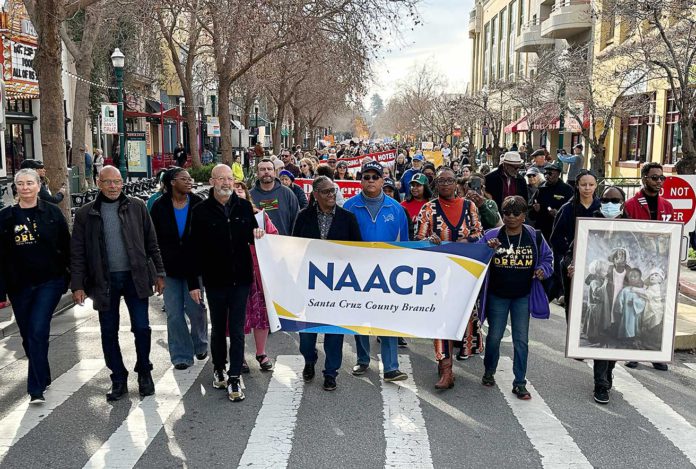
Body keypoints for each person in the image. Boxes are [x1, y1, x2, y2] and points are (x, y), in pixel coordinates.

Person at [71, 166, 165, 401]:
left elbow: (151, 241)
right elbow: (78, 252)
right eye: (108, 182)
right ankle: (118, 377)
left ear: (123, 183)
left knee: (142, 327)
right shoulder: (86, 214)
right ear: (99, 183)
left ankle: (144, 371)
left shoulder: (137, 207)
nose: (113, 187)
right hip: (103, 281)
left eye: (117, 182)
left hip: (136, 276)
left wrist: (159, 273)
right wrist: (78, 285)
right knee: (108, 331)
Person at [187, 164, 265, 402]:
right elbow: (193, 250)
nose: (227, 183)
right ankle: (219, 367)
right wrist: (194, 284)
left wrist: (259, 233)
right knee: (219, 328)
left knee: (239, 328)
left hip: (241, 280)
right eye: (221, 179)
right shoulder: (200, 211)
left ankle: (234, 377)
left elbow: (255, 233)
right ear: (212, 182)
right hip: (215, 281)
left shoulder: (243, 207)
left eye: (230, 179)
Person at [0, 168, 71, 403]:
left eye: (30, 183)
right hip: (19, 285)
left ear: (39, 186)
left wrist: (70, 279)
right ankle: (43, 373)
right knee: (27, 334)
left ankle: (36, 388)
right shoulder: (6, 217)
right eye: (20, 184)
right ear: (15, 188)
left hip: (49, 282)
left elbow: (67, 246)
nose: (25, 187)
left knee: (38, 329)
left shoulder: (51, 212)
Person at [415, 167, 484, 389]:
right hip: (438, 276)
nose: (445, 184)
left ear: (457, 184)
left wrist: (462, 244)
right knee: (441, 319)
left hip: (464, 273)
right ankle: (446, 369)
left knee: (463, 318)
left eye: (450, 180)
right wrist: (430, 240)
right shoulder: (428, 209)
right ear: (435, 185)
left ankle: (453, 354)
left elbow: (478, 233)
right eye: (441, 181)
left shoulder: (469, 206)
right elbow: (418, 239)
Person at [479, 196, 553, 400]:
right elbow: (475, 259)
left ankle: (520, 382)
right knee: (494, 337)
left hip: (523, 295)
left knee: (521, 340)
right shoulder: (491, 235)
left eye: (516, 213)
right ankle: (489, 370)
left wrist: (542, 270)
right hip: (497, 295)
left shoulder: (534, 236)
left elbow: (548, 258)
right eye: (506, 213)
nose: (510, 217)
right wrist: (487, 249)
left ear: (524, 216)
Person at [292, 176, 362, 391]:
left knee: (334, 334)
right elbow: (294, 248)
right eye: (326, 191)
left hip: (338, 287)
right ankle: (309, 359)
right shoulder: (303, 217)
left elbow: (358, 251)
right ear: (315, 195)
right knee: (306, 336)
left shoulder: (347, 218)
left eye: (333, 190)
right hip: (310, 286)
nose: (331, 194)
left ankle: (331, 372)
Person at [343, 161, 410, 382]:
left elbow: (406, 244)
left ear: (383, 180)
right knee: (360, 316)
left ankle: (391, 367)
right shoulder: (349, 207)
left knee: (387, 317)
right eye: (366, 177)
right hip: (358, 272)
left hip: (388, 274)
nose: (370, 180)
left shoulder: (396, 209)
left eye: (375, 177)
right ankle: (362, 360)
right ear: (360, 180)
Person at [566, 186, 628, 404]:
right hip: (602, 297)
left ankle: (609, 371)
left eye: (615, 200)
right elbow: (571, 254)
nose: (610, 204)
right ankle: (600, 383)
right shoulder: (589, 226)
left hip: (621, 295)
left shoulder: (633, 228)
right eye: (606, 199)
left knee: (615, 337)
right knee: (603, 339)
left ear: (623, 202)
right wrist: (572, 266)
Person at [150, 168, 208, 370]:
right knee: (174, 313)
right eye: (185, 179)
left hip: (195, 268)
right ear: (172, 182)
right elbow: (153, 240)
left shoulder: (199, 204)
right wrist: (156, 271)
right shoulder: (159, 206)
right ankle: (181, 355)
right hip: (169, 269)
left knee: (196, 309)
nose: (189, 182)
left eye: (190, 178)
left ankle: (200, 343)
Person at [622, 162, 672, 371]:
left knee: (658, 310)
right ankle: (633, 351)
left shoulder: (667, 206)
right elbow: (625, 237)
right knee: (637, 309)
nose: (659, 181)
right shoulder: (631, 205)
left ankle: (655, 351)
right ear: (644, 179)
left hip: (659, 266)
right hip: (637, 265)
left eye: (662, 178)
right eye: (654, 177)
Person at [234, 181, 277, 373]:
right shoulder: (225, 216)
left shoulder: (260, 217)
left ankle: (261, 353)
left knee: (261, 315)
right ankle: (239, 355)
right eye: (234, 189)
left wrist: (264, 235)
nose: (238, 191)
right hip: (235, 275)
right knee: (238, 317)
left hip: (259, 275)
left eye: (240, 188)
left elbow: (276, 238)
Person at [550, 170, 600, 315]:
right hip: (572, 261)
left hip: (596, 258)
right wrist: (569, 255)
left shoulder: (601, 208)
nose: (587, 188)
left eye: (591, 184)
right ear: (577, 186)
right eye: (583, 184)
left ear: (596, 186)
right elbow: (556, 237)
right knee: (573, 302)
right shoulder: (567, 209)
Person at [250, 159, 300, 235]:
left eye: (269, 169)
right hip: (259, 244)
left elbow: (297, 220)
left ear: (274, 172)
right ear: (257, 173)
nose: (266, 172)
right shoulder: (249, 195)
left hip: (283, 242)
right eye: (262, 169)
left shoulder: (287, 193)